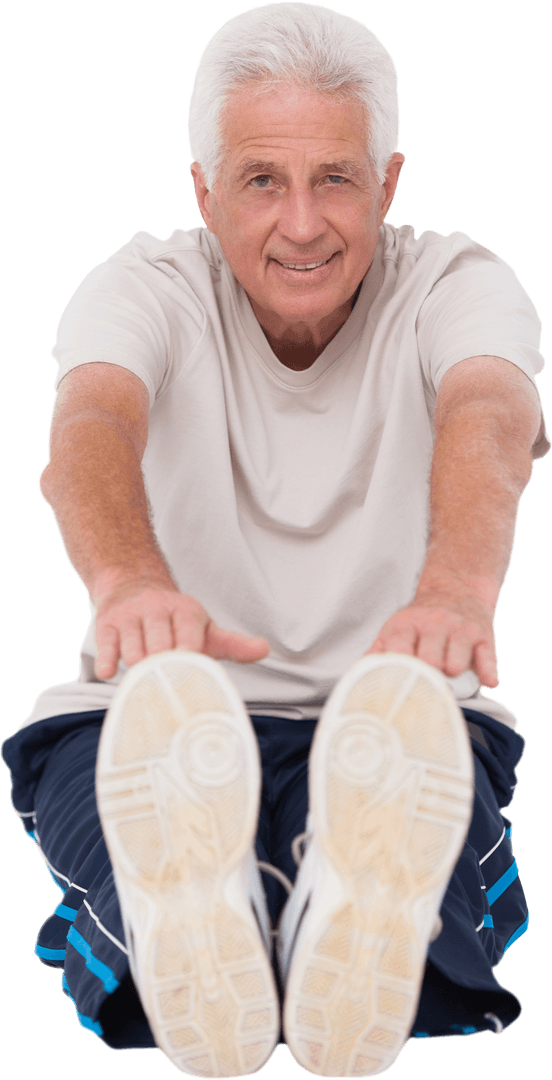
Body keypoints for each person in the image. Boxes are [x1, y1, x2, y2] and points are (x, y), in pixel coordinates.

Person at [1, 3, 549, 1078]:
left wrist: (455, 593)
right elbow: (92, 427)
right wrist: (128, 585)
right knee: (150, 913)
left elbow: (491, 415)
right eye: (261, 181)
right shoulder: (141, 288)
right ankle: (262, 914)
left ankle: (287, 913)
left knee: (420, 912)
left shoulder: (461, 284)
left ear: (388, 182)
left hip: (401, 719)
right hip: (155, 713)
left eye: (334, 179)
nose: (302, 223)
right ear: (204, 190)